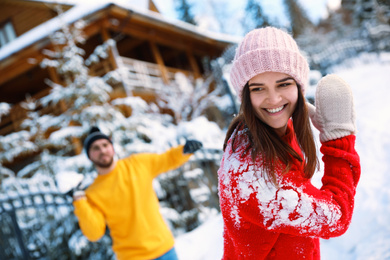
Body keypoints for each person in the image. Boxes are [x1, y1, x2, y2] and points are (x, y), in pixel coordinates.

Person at [218, 27, 361, 259]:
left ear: (298, 86)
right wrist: (339, 140)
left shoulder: (273, 130)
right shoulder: (250, 173)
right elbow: (334, 217)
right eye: (258, 88)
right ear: (245, 96)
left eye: (283, 84)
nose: (273, 99)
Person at [72, 126, 203, 260]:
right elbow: (94, 233)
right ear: (89, 155)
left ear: (112, 147)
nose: (102, 150)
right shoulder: (92, 193)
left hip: (165, 250)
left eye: (105, 145)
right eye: (95, 148)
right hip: (131, 257)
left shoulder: (137, 164)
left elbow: (166, 159)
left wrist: (183, 151)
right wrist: (79, 200)